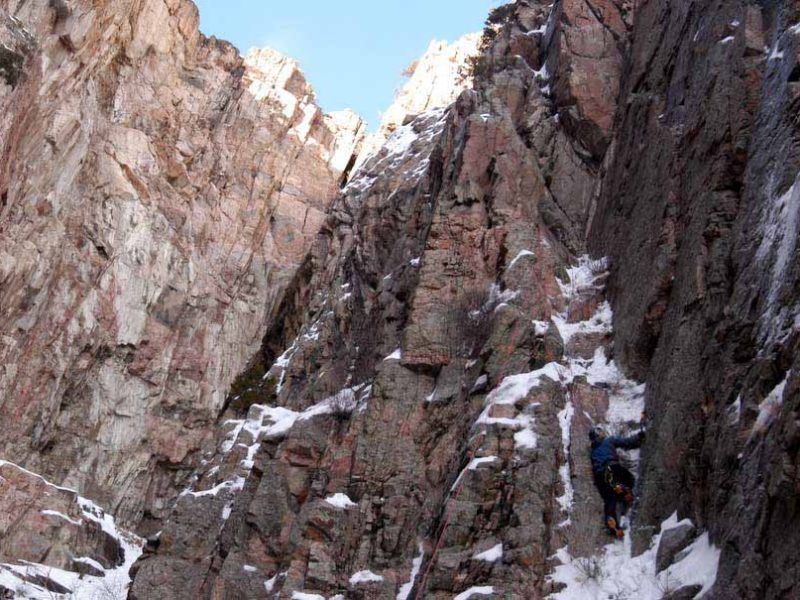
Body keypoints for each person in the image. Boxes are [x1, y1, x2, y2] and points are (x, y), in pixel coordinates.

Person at [589, 425, 645, 539]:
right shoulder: (608, 441)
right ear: (599, 434)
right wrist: (639, 438)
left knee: (610, 500)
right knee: (630, 479)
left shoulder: (593, 451)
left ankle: (613, 527)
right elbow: (626, 442)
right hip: (612, 468)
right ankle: (626, 493)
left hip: (600, 477)